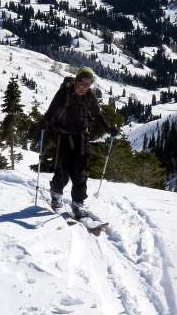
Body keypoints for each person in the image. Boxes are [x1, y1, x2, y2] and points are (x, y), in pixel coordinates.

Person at [38, 67, 118, 219]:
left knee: (79, 173)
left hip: (81, 137)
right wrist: (45, 122)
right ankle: (56, 194)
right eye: (82, 83)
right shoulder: (64, 93)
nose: (85, 87)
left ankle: (78, 203)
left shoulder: (90, 96)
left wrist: (108, 128)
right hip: (63, 136)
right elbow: (52, 111)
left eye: (88, 84)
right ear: (76, 81)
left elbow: (97, 115)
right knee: (63, 170)